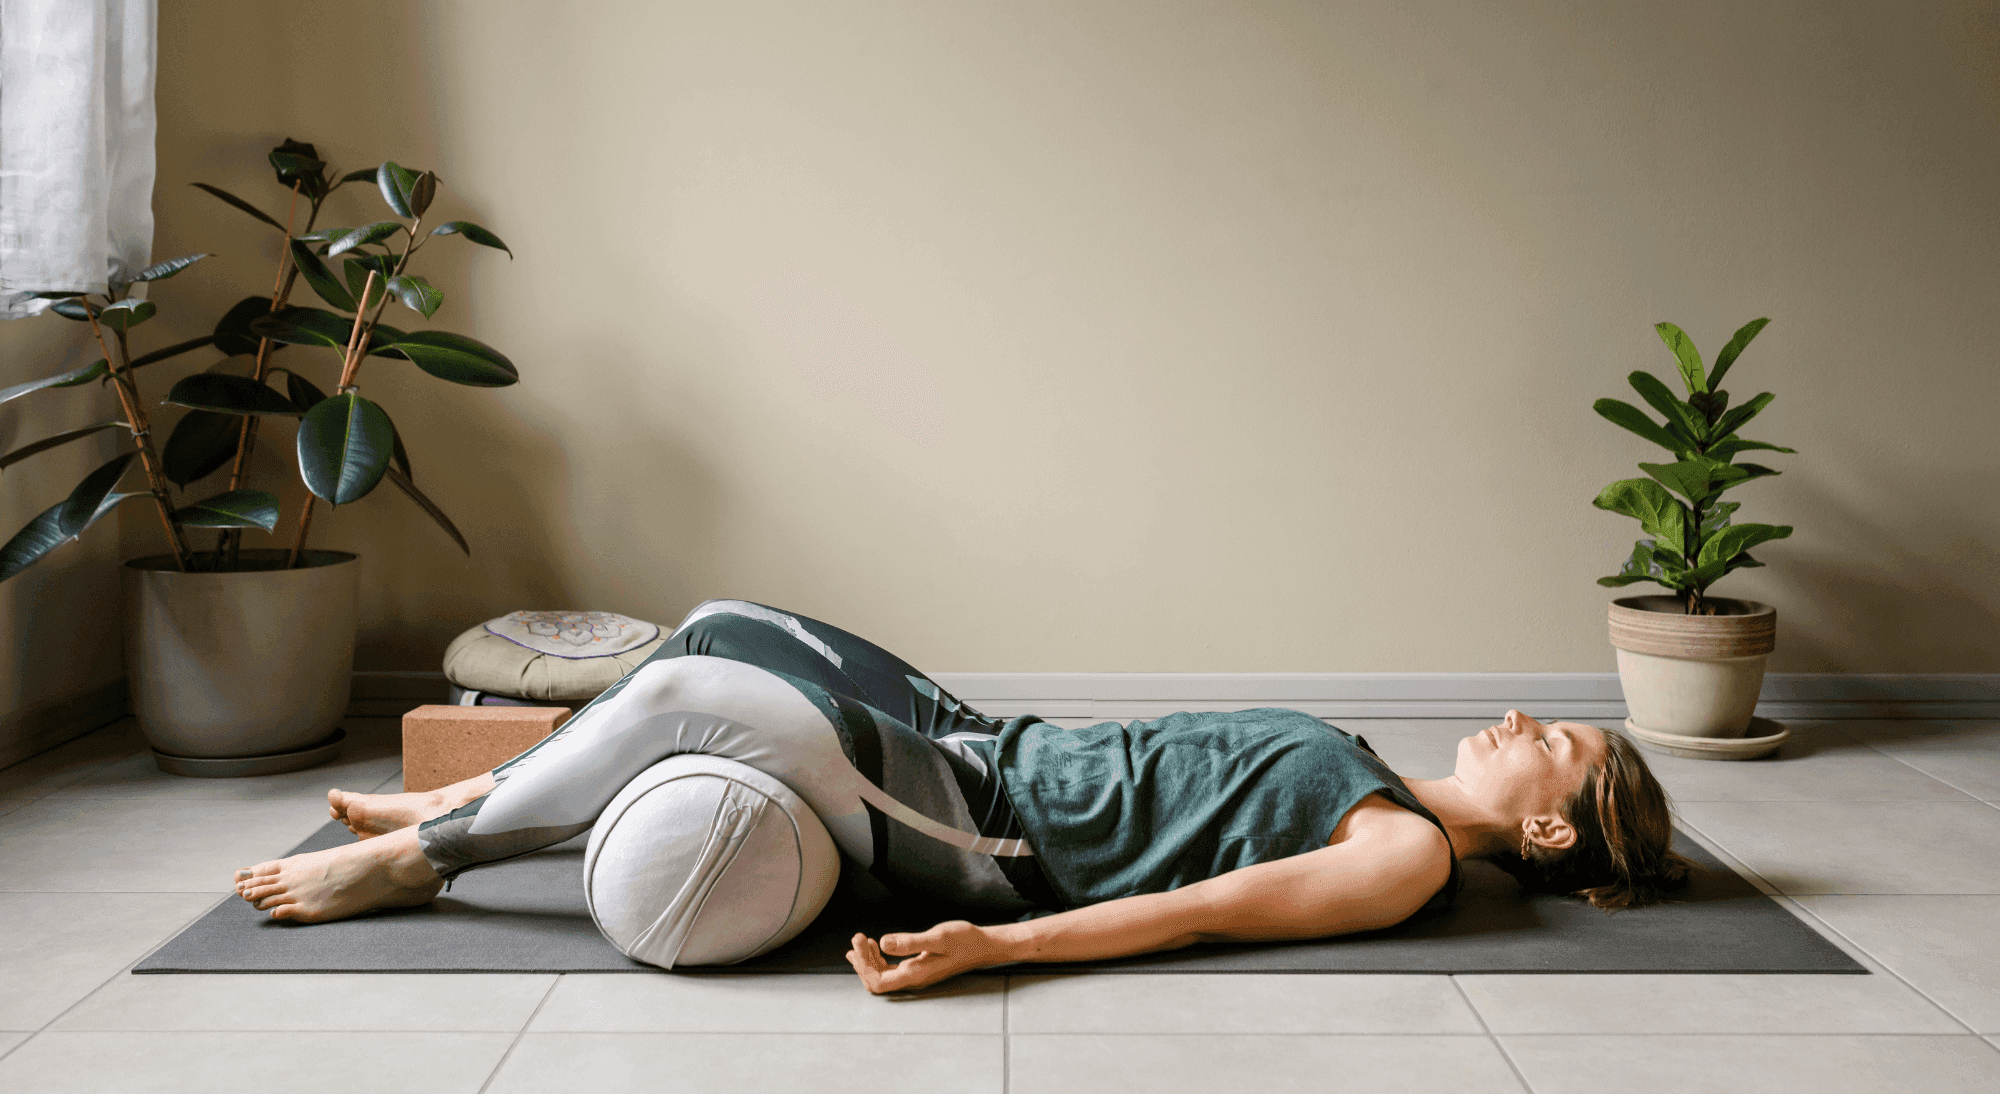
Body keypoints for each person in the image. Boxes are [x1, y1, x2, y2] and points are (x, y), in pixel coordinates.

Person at [232, 599, 1691, 994]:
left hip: (996, 838)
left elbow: (1187, 913)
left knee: (689, 698)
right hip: (993, 746)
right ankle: (495, 791)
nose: (1518, 718)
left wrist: (995, 946)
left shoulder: (1404, 858)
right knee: (731, 620)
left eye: (1551, 738)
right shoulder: (1381, 779)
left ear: (1552, 827)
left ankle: (430, 856)